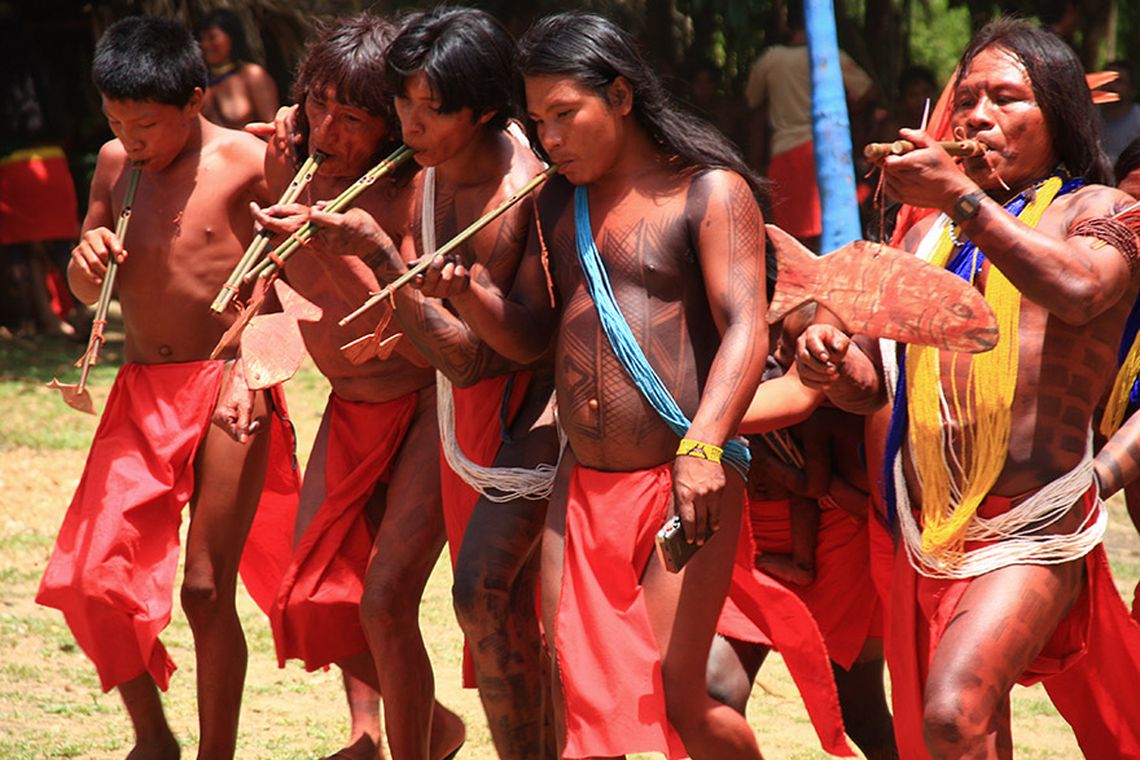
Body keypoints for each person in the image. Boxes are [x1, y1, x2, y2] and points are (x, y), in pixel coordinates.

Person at [409, 11, 769, 757]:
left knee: (677, 695)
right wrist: (471, 297)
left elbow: (746, 326)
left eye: (565, 115)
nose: (551, 140)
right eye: (538, 122)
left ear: (623, 95)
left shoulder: (709, 191)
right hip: (581, 485)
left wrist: (701, 449)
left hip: (682, 478)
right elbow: (536, 336)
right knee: (572, 678)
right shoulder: (555, 202)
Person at [798, 19, 1140, 758]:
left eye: (1007, 98)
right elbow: (876, 385)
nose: (977, 114)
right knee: (964, 734)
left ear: (1060, 115)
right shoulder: (929, 239)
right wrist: (835, 364)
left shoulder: (1103, 212)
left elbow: (1081, 291)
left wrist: (958, 197)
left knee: (952, 713)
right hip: (932, 533)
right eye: (970, 98)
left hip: (1035, 530)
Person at [280, 8, 557, 757]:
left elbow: (475, 357)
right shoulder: (405, 161)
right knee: (355, 595)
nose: (408, 122)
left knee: (489, 608)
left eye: (426, 109)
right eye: (401, 104)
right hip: (428, 412)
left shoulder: (510, 192)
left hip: (508, 424)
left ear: (484, 111)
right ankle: (422, 737)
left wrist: (372, 256)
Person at [34, 17, 300, 759]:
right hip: (141, 390)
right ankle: (154, 739)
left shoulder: (251, 162)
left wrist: (261, 373)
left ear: (194, 98)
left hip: (229, 382)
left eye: (146, 123)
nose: (131, 137)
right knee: (90, 578)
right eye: (116, 121)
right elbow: (88, 284)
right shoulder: (118, 166)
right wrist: (85, 264)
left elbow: (297, 289)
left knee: (206, 589)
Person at [238, 13, 465, 760]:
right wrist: (251, 371)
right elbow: (274, 291)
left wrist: (331, 242)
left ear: (394, 124)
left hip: (427, 409)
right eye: (319, 105)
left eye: (355, 118)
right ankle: (407, 729)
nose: (330, 130)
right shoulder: (289, 163)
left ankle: (409, 747)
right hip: (349, 409)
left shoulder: (415, 189)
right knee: (310, 597)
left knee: (385, 600)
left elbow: (408, 322)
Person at [744, 0, 873, 249]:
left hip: (786, 149)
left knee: (793, 241)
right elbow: (867, 91)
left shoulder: (771, 60)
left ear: (786, 22)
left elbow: (752, 101)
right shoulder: (831, 54)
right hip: (828, 152)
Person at [195, 9, 278, 130]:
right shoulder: (200, 84)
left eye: (212, 37)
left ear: (232, 38)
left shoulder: (252, 75)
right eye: (201, 39)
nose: (206, 44)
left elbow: (271, 128)